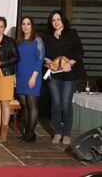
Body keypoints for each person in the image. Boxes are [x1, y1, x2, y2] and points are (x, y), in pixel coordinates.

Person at [44, 10, 85, 145]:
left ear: (63, 20)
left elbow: (79, 52)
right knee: (55, 103)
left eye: (58, 19)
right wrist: (47, 61)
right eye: (53, 20)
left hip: (69, 74)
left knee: (66, 104)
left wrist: (71, 63)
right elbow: (43, 53)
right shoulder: (48, 36)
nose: (56, 22)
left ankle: (66, 133)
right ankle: (57, 132)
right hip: (53, 74)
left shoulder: (71, 33)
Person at [16, 17, 44, 142]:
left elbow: (40, 60)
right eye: (23, 24)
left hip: (33, 76)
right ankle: (29, 133)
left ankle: (30, 133)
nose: (26, 26)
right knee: (24, 105)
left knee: (32, 104)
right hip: (21, 76)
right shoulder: (18, 41)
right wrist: (15, 76)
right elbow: (16, 60)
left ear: (32, 26)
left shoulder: (38, 40)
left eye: (28, 24)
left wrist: (33, 76)